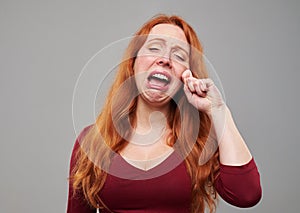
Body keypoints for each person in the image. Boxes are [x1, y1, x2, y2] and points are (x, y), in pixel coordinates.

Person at [67, 14, 262, 213]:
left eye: (178, 55)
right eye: (154, 48)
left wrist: (218, 110)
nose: (165, 59)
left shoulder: (200, 140)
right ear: (133, 63)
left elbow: (247, 195)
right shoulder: (92, 140)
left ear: (187, 76)